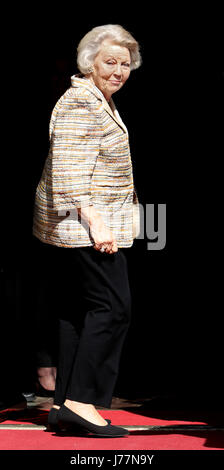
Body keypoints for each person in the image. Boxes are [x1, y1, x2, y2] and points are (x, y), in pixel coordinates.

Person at [32, 24, 141, 437]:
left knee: (78, 311)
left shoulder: (99, 99)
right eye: (109, 62)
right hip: (85, 224)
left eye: (125, 64)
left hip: (83, 223)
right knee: (113, 307)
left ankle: (64, 404)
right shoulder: (82, 102)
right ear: (89, 63)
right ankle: (81, 401)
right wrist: (97, 224)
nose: (118, 70)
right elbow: (72, 170)